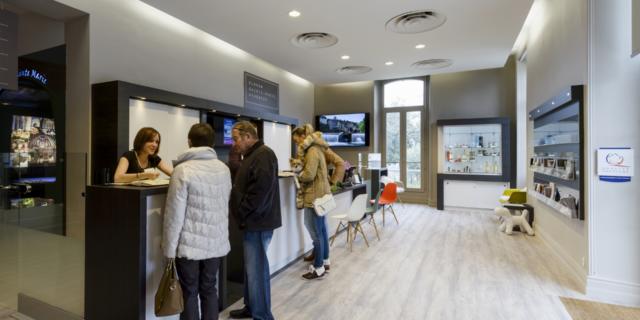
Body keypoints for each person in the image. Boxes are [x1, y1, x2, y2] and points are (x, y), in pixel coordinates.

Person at [162, 123, 231, 320]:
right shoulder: (223, 169)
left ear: (190, 142)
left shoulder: (183, 170)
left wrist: (169, 249)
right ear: (212, 144)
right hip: (215, 242)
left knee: (189, 291)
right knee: (209, 288)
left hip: (189, 244)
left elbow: (174, 214)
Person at [228, 121, 281, 320]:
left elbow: (260, 192)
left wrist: (242, 211)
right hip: (254, 221)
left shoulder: (264, 155)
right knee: (252, 269)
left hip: (258, 221)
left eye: (236, 139)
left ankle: (262, 315)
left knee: (257, 271)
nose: (234, 144)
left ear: (248, 136)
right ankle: (251, 307)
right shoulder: (252, 155)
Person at [292, 124, 344, 264]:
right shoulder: (317, 148)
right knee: (320, 230)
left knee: (316, 231)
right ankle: (323, 260)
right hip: (320, 193)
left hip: (315, 194)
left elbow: (310, 174)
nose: (296, 144)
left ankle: (319, 265)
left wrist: (332, 182)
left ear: (303, 137)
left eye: (297, 141)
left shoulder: (313, 150)